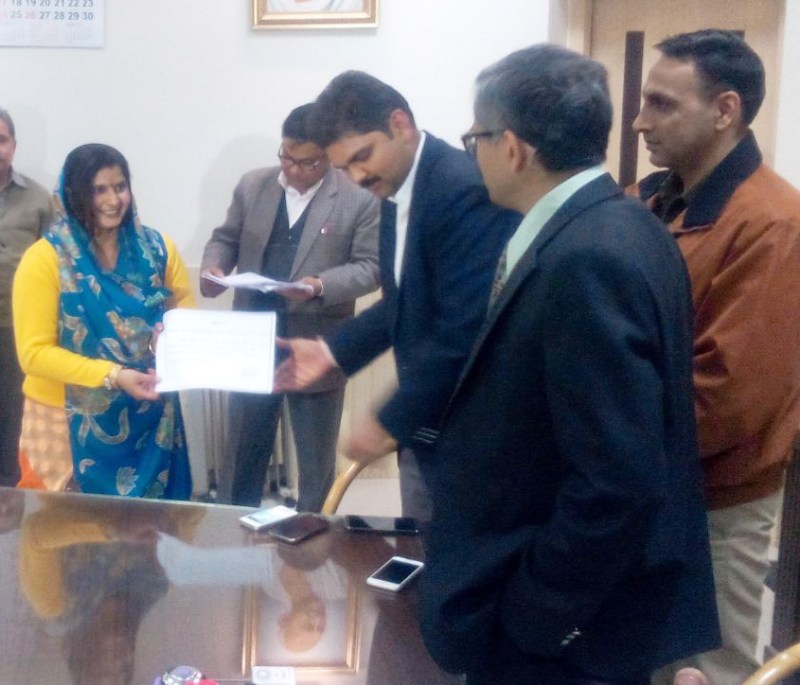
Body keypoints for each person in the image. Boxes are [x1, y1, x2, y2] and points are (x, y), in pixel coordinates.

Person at [417, 44, 720, 685]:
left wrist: (535, 616)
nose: (472, 153)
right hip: (565, 607)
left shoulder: (587, 257)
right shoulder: (621, 224)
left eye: (475, 138)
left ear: (512, 147)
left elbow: (618, 481)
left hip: (564, 637)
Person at [630, 30, 800, 685]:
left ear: (726, 110)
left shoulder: (774, 222)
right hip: (652, 485)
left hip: (716, 505)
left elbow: (728, 397)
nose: (640, 121)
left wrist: (608, 444)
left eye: (662, 103)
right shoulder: (653, 199)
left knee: (708, 672)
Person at [274, 72, 519, 520]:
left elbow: (465, 328)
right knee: (421, 546)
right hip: (427, 426)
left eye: (362, 156)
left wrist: (387, 418)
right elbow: (405, 303)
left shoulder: (461, 188)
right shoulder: (396, 188)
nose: (357, 176)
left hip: (471, 431)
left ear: (400, 125)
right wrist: (331, 350)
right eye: (343, 167)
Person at [200, 103, 380, 511]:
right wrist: (214, 268)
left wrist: (319, 285)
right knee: (241, 452)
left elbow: (371, 268)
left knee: (315, 462)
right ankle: (233, 527)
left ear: (328, 156)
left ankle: (313, 533)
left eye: (307, 162)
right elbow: (224, 238)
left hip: (316, 343)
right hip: (252, 338)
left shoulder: (358, 198)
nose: (294, 170)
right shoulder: (253, 185)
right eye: (287, 157)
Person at [13, 143, 194, 499]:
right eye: (99, 190)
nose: (113, 200)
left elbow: (185, 315)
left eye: (120, 187)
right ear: (74, 194)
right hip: (62, 422)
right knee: (67, 528)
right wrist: (112, 375)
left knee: (152, 527)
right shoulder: (45, 259)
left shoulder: (157, 249)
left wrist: (169, 337)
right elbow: (34, 354)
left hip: (150, 419)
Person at [0, 107, 53, 487]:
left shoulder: (38, 199)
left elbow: (55, 262)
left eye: (2, 140)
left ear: (14, 146)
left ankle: (7, 501)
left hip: (17, 330)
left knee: (13, 419)